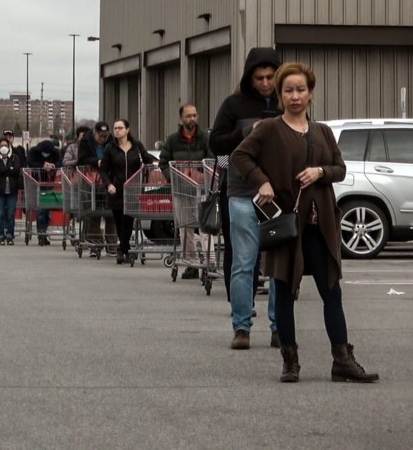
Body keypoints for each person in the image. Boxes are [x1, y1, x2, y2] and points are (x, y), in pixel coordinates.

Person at [231, 62, 376, 383]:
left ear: (310, 94)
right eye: (288, 91)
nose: (295, 96)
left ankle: (342, 360)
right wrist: (262, 182)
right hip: (287, 224)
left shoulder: (323, 131)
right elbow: (240, 156)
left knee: (331, 292)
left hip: (320, 224)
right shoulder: (269, 129)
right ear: (280, 96)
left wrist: (320, 172)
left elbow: (340, 168)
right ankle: (290, 360)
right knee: (284, 292)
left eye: (300, 90)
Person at [209, 46, 281, 348]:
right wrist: (246, 132)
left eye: (270, 77)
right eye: (259, 78)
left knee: (279, 264)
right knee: (243, 262)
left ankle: (280, 325)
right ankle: (242, 326)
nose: (265, 83)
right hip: (241, 192)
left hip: (278, 193)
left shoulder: (288, 100)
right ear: (249, 77)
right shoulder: (233, 104)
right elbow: (216, 144)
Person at [159, 104, 212, 279]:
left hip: (202, 188)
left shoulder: (205, 138)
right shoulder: (173, 140)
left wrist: (203, 173)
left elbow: (212, 159)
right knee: (185, 227)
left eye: (195, 115)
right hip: (181, 189)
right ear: (181, 118)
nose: (192, 119)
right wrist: (171, 177)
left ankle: (209, 262)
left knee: (206, 227)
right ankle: (192, 263)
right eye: (188, 116)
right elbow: (164, 161)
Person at [100, 119, 153, 264]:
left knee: (128, 219)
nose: (117, 130)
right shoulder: (110, 148)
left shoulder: (137, 146)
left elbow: (147, 160)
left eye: (120, 128)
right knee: (119, 220)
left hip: (134, 189)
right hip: (116, 189)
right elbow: (103, 170)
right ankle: (125, 248)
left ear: (127, 130)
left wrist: (155, 164)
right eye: (115, 128)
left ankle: (122, 249)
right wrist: (109, 184)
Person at [26, 139, 63, 245]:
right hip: (36, 183)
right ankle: (41, 235)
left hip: (50, 184)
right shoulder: (34, 151)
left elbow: (60, 162)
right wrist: (42, 166)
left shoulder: (55, 152)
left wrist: (52, 166)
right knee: (41, 210)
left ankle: (44, 232)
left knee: (47, 211)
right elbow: (30, 163)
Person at [0, 137, 21, 245]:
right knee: (0, 214)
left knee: (10, 214)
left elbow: (17, 170)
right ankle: (0, 235)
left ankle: (10, 235)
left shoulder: (14, 157)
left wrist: (5, 170)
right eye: (1, 145)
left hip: (12, 191)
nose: (4, 147)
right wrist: (9, 169)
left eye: (6, 145)